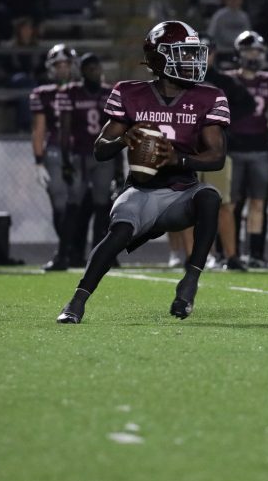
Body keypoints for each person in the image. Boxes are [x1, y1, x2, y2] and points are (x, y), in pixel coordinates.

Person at [56, 21, 231, 323]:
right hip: (140, 191)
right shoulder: (129, 92)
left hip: (182, 194)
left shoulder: (208, 96)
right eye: (183, 54)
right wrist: (125, 138)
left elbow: (216, 158)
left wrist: (179, 159)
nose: (191, 61)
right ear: (159, 58)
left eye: (192, 54)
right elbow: (100, 149)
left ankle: (189, 282)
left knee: (210, 198)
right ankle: (76, 301)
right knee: (118, 234)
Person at [188, 37, 255, 270]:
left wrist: (223, 123)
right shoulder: (180, 77)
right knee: (187, 204)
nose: (201, 56)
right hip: (186, 148)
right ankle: (194, 258)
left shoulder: (222, 81)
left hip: (215, 149)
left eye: (205, 51)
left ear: (213, 53)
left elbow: (248, 104)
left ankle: (231, 255)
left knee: (223, 204)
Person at [50, 53, 115, 270]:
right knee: (72, 205)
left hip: (103, 156)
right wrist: (65, 160)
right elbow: (65, 129)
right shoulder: (71, 92)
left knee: (102, 206)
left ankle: (100, 255)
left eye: (97, 68)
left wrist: (120, 165)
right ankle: (63, 255)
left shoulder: (109, 93)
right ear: (83, 71)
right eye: (90, 69)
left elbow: (119, 129)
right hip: (79, 155)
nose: (94, 72)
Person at [227, 31, 268, 267]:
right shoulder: (229, 80)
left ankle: (256, 255)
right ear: (238, 54)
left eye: (257, 51)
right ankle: (229, 254)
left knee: (258, 203)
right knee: (231, 205)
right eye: (249, 51)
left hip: (260, 149)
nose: (253, 55)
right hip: (233, 149)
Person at [33, 44, 78, 271]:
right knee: (60, 204)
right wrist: (38, 160)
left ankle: (74, 252)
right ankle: (65, 251)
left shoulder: (82, 90)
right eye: (58, 65)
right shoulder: (43, 94)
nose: (62, 69)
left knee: (82, 204)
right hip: (55, 153)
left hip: (81, 153)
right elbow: (39, 128)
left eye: (66, 64)